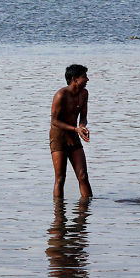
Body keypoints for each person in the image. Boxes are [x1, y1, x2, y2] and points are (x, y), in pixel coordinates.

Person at [50, 64, 93, 199]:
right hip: (58, 138)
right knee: (60, 178)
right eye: (84, 77)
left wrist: (82, 126)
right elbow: (54, 121)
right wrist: (76, 129)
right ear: (74, 79)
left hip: (73, 136)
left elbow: (83, 116)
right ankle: (59, 210)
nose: (87, 79)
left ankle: (87, 208)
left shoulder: (84, 93)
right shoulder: (61, 95)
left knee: (83, 175)